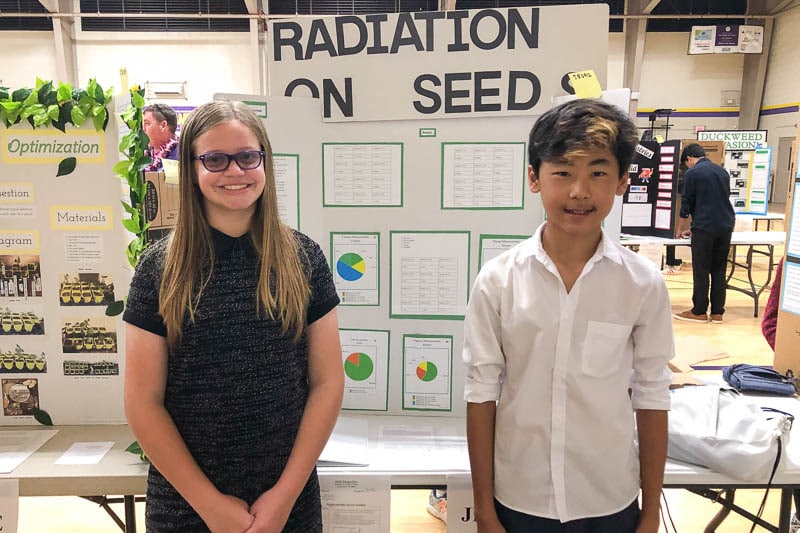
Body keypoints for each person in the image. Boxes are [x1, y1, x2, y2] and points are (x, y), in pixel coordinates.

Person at [123, 100, 344, 532]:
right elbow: (142, 404)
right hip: (186, 508)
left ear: (264, 160)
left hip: (288, 505)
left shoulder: (304, 259)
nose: (235, 171)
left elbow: (327, 382)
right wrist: (211, 507)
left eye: (247, 156)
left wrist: (283, 498)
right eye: (215, 159)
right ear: (191, 168)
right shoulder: (158, 269)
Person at [463, 99, 674, 533]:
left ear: (621, 182)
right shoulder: (499, 280)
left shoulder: (642, 283)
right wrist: (484, 508)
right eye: (562, 172)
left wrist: (650, 509)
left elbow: (652, 394)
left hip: (608, 497)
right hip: (519, 496)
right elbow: (481, 392)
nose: (579, 191)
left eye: (598, 172)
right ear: (534, 178)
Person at [673, 143, 735, 324]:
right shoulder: (722, 172)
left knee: (701, 269)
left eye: (686, 163)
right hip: (725, 226)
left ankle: (699, 311)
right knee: (719, 269)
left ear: (689, 159)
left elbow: (687, 203)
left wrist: (679, 227)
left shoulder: (692, 173)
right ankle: (717, 312)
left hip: (704, 227)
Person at [143, 103, 180, 171]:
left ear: (163, 125)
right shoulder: (146, 155)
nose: (143, 129)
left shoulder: (180, 154)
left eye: (147, 123)